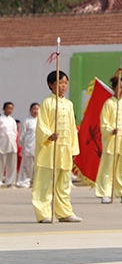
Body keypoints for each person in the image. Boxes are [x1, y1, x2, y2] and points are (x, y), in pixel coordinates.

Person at [32, 71, 82, 223]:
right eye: (60, 82)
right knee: (45, 183)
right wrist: (48, 135)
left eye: (65, 83)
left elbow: (72, 128)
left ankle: (64, 212)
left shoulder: (69, 104)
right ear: (51, 84)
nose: (63, 86)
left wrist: (74, 149)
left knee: (64, 183)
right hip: (50, 149)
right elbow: (41, 126)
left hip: (65, 149)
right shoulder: (47, 103)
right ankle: (43, 213)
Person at [95, 77, 122, 204]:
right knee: (107, 168)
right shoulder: (108, 104)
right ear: (113, 88)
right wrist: (110, 131)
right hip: (112, 141)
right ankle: (105, 193)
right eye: (119, 87)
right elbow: (104, 123)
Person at [17, 103, 38, 188]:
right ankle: (25, 181)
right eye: (34, 109)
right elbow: (22, 135)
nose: (36, 111)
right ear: (30, 110)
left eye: (37, 109)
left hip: (38, 147)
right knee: (27, 166)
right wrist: (22, 145)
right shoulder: (27, 121)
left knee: (37, 166)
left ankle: (36, 182)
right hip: (28, 146)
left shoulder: (40, 121)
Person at [0, 102, 18, 187]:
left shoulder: (13, 120)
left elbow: (15, 133)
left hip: (11, 144)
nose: (9, 110)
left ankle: (10, 181)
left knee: (11, 163)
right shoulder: (1, 119)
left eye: (11, 109)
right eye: (8, 108)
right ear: (4, 109)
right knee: (1, 163)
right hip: (2, 143)